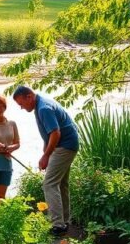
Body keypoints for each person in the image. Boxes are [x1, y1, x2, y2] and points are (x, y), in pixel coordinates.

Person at [13, 85, 80, 235]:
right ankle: (65, 221)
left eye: (21, 104)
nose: (21, 108)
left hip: (65, 146)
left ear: (29, 96)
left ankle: (57, 224)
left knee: (49, 183)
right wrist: (46, 153)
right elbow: (49, 134)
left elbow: (55, 133)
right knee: (61, 183)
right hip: (69, 145)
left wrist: (46, 156)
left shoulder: (44, 109)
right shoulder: (42, 104)